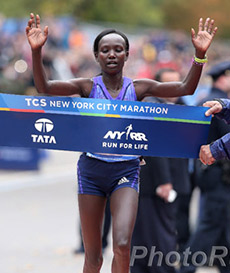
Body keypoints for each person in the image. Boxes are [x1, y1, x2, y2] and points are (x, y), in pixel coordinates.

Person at [26, 13, 217, 273]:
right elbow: (44, 86)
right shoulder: (86, 86)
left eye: (118, 49)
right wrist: (36, 51)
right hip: (92, 171)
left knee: (123, 244)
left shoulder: (138, 88)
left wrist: (199, 56)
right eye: (105, 50)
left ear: (127, 55)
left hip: (126, 171)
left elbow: (185, 88)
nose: (112, 54)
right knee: (93, 257)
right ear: (97, 56)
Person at [130, 68, 191, 273]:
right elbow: (156, 147)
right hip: (157, 184)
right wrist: (164, 181)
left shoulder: (181, 106)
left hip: (174, 180)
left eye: (177, 83)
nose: (173, 89)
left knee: (159, 229)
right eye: (167, 84)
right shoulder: (153, 107)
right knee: (156, 232)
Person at [179, 61, 230, 273]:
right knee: (210, 225)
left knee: (222, 227)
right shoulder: (213, 101)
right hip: (219, 173)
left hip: (212, 171)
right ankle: (187, 267)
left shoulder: (206, 99)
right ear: (223, 77)